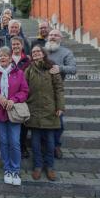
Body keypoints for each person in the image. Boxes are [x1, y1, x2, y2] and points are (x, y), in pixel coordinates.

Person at [0, 46, 29, 186]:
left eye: (5, 56)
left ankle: (15, 169)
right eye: (0, 56)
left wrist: (13, 100)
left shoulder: (19, 73)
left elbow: (25, 91)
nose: (2, 58)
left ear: (10, 58)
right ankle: (7, 169)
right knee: (3, 142)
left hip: (13, 112)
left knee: (14, 142)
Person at [25, 45, 64, 181]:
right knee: (35, 142)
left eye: (38, 51)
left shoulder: (52, 68)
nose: (36, 53)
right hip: (34, 109)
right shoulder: (29, 69)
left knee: (50, 141)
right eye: (33, 52)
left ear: (43, 53)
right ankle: (37, 166)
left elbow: (59, 88)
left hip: (50, 109)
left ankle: (50, 167)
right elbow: (23, 87)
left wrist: (60, 106)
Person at [45, 29, 76, 159]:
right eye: (51, 35)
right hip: (39, 91)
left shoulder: (66, 52)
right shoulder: (42, 50)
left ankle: (56, 145)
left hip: (56, 91)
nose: (52, 37)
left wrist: (60, 68)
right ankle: (45, 145)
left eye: (55, 35)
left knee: (59, 123)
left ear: (61, 38)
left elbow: (73, 69)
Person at [10, 36, 31, 159]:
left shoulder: (27, 60)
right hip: (9, 95)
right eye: (14, 45)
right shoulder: (7, 59)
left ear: (22, 46)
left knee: (23, 122)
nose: (16, 46)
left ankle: (22, 147)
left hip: (23, 95)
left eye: (18, 44)